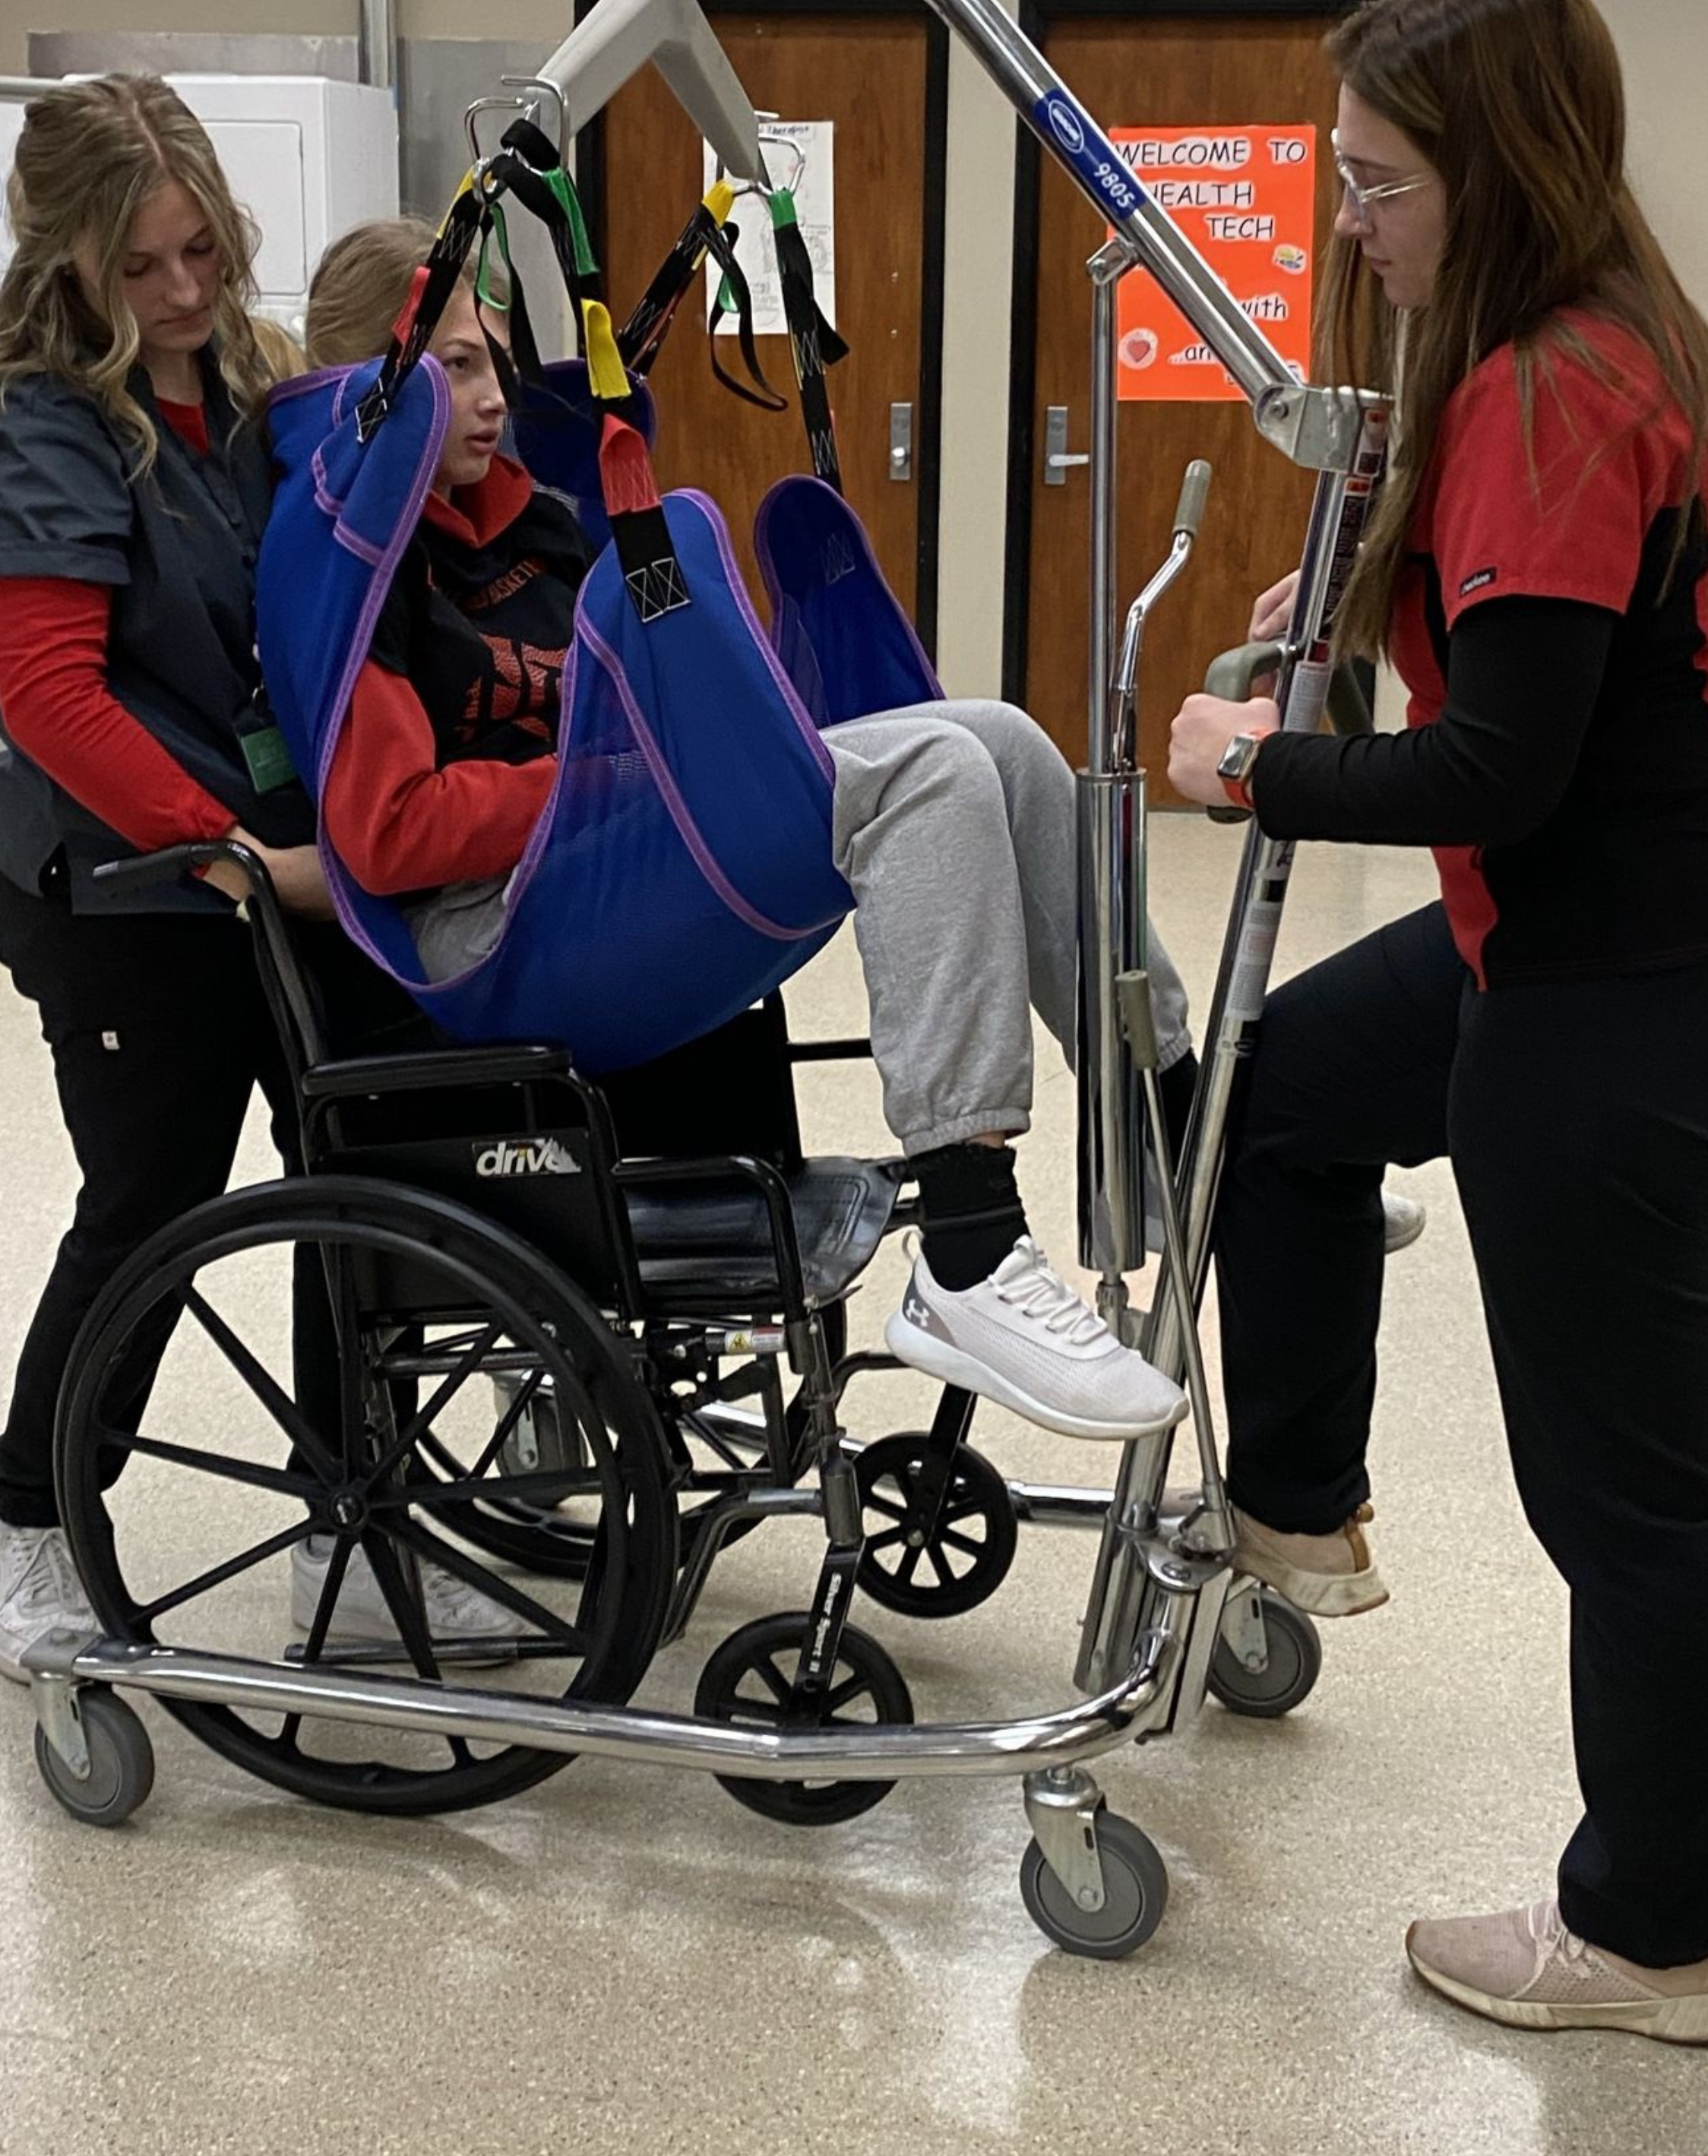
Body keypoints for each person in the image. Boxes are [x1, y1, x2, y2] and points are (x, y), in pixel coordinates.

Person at [1165, 0, 1708, 2046]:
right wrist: (1363, 587)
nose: (1348, 218)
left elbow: (1493, 768)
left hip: (1642, 978)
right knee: (1278, 1088)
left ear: (1492, 172)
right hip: (1614, 930)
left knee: (1630, 1490)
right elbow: (1548, 645)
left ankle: (1650, 1937)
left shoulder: (1545, 383)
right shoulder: (1589, 340)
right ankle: (1299, 1507)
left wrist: (1242, 761)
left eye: (1379, 182)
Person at [296, 216, 1209, 1446]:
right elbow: (389, 837)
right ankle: (973, 1242)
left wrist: (660, 765)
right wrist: (598, 787)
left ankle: (1184, 1120)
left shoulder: (548, 529)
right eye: (454, 367)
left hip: (608, 864)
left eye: (498, 360)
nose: (491, 398)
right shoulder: (371, 576)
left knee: (995, 736)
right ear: (375, 389)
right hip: (501, 934)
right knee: (931, 772)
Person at [0, 75, 421, 1680]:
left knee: (359, 1168)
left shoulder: (255, 390)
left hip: (286, 855)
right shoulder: (41, 428)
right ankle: (38, 1525)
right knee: (154, 1200)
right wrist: (239, 862)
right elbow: (55, 703)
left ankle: (352, 1525)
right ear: (66, 257)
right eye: (142, 267)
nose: (186, 294)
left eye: (205, 251)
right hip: (129, 885)